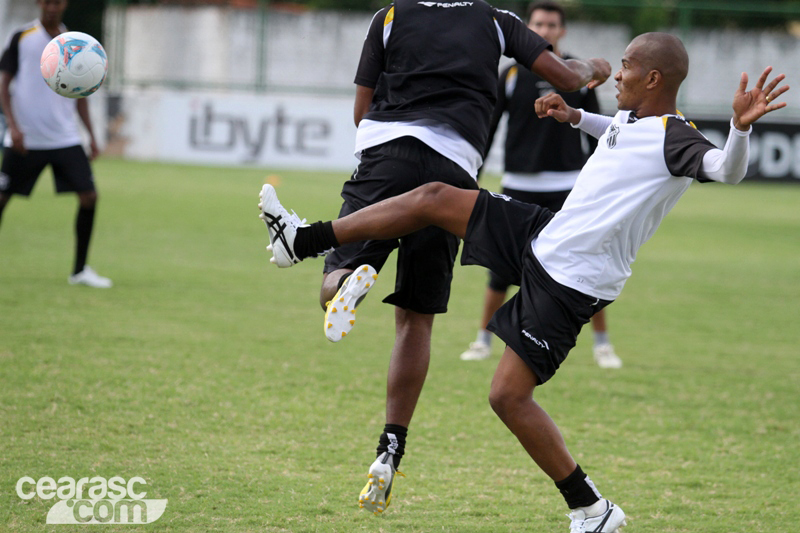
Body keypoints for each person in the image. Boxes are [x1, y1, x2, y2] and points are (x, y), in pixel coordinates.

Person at [258, 32, 788, 532]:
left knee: (507, 397)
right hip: (544, 235)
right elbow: (620, 135)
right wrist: (575, 116)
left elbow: (726, 169)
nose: (618, 73)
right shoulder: (631, 118)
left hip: (570, 281)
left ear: (653, 78)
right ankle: (304, 240)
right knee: (434, 197)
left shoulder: (678, 137)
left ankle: (591, 507)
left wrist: (740, 128)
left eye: (626, 65)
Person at [259, 0, 611, 518]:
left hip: (386, 153)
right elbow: (566, 76)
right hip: (452, 172)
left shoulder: (389, 17)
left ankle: (350, 279)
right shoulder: (496, 20)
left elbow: (360, 112)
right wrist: (596, 66)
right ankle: (390, 447)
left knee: (334, 276)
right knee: (415, 319)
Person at [460, 1, 621, 368]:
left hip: (568, 185)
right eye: (538, 24)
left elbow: (598, 129)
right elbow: (489, 128)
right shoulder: (511, 74)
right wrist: (473, 176)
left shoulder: (579, 75)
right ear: (529, 29)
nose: (544, 30)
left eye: (551, 24)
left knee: (584, 265)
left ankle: (603, 345)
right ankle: (482, 340)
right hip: (518, 183)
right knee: (500, 270)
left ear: (562, 30)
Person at [0, 0, 111, 288]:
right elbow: (4, 84)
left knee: (89, 197)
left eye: (57, 1)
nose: (52, 7)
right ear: (39, 3)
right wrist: (13, 126)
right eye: (47, 1)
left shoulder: (75, 43)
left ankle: (80, 271)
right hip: (26, 138)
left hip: (64, 138)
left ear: (65, 4)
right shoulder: (22, 37)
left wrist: (91, 136)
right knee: (1, 198)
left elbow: (81, 93)